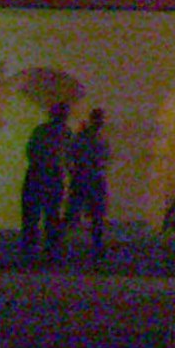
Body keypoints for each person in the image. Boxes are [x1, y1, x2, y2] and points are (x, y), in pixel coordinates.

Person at [20, 98, 73, 263]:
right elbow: (68, 156)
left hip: (38, 172)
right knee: (51, 213)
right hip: (51, 174)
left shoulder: (41, 130)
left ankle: (31, 247)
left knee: (33, 213)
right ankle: (50, 248)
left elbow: (31, 151)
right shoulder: (65, 132)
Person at [69, 107, 112, 264]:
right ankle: (92, 246)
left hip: (88, 176)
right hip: (88, 177)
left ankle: (95, 245)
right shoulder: (91, 138)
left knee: (93, 213)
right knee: (84, 212)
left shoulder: (87, 137)